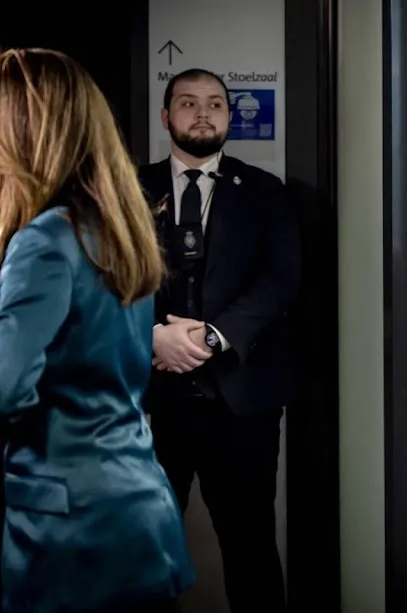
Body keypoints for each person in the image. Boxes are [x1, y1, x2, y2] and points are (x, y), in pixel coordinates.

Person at [0, 48, 194, 613]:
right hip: (138, 512)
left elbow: (3, 390)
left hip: (72, 534)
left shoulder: (43, 240)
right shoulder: (112, 228)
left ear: (17, 129)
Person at [139, 68, 301, 612]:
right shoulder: (128, 189)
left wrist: (213, 336)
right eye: (188, 103)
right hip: (150, 403)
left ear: (230, 117)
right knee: (144, 551)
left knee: (251, 548)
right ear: (167, 117)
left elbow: (280, 279)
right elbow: (108, 276)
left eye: (214, 104)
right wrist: (153, 334)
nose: (203, 113)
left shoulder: (265, 192)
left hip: (240, 403)